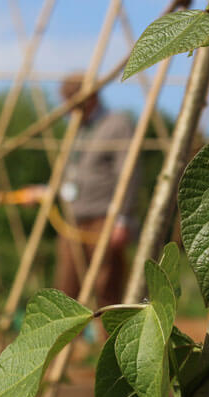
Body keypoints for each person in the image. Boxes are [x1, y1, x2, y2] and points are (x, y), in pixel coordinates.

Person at [54, 73, 139, 307]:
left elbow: (128, 174)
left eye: (72, 103)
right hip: (73, 219)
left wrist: (122, 219)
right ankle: (73, 333)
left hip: (104, 220)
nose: (69, 110)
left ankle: (107, 331)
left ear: (89, 99)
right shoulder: (77, 129)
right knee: (66, 288)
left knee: (107, 288)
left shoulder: (116, 125)